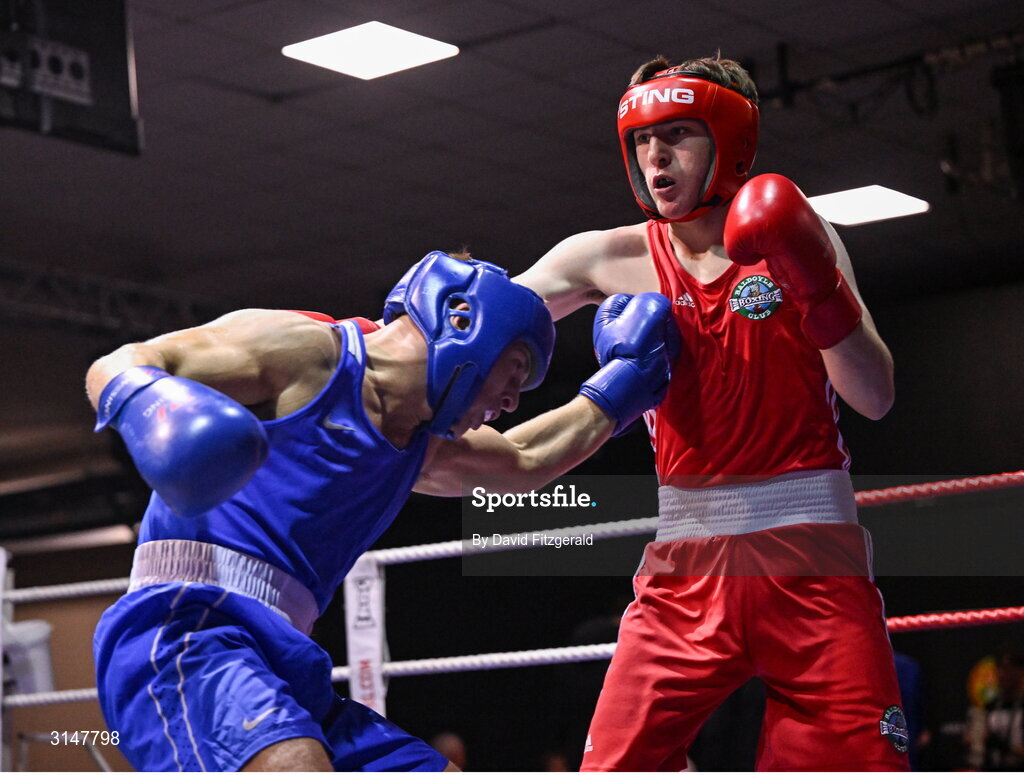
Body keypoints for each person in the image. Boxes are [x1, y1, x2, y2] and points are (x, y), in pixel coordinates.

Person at [87, 251, 678, 772]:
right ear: (467, 325)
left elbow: (526, 456)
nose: (510, 401)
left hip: (287, 656)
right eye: (515, 373)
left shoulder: (421, 446)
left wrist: (626, 383)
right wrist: (152, 406)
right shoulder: (309, 353)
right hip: (185, 632)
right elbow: (126, 360)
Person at [514, 54, 906, 770]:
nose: (655, 156)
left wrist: (815, 282)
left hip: (813, 558)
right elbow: (484, 324)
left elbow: (874, 396)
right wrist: (364, 348)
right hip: (685, 566)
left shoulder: (801, 234)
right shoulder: (607, 257)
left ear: (732, 142)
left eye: (678, 134)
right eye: (641, 140)